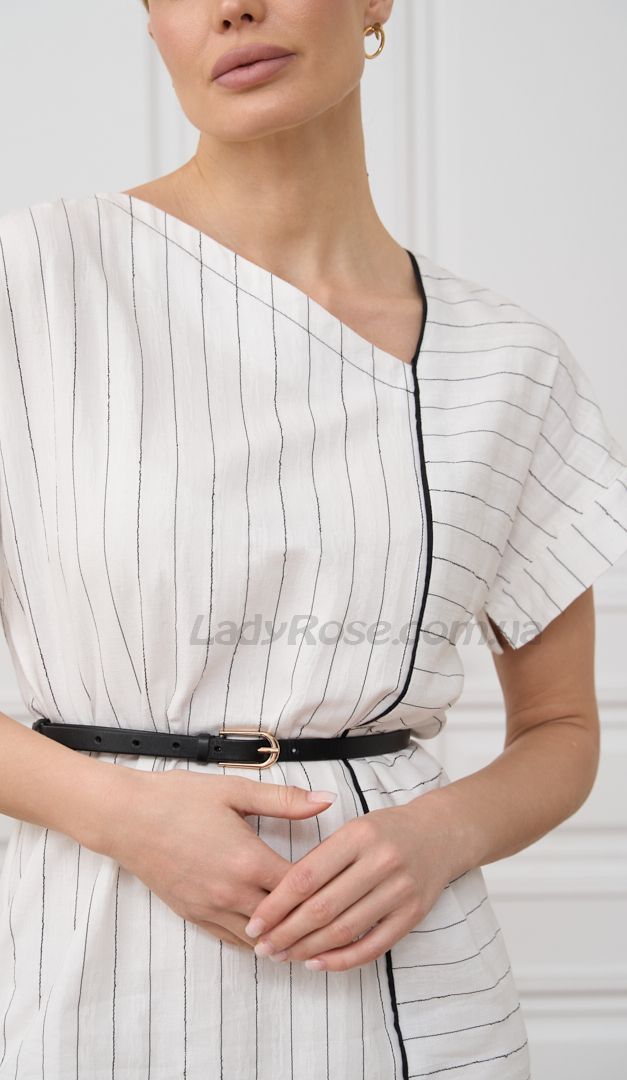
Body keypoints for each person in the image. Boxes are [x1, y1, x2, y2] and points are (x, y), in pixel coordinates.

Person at [0, 1, 625, 1077]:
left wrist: (440, 835)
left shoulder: (508, 361)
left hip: (413, 982)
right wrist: (127, 817)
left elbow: (561, 728)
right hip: (93, 960)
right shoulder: (35, 284)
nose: (232, 7)